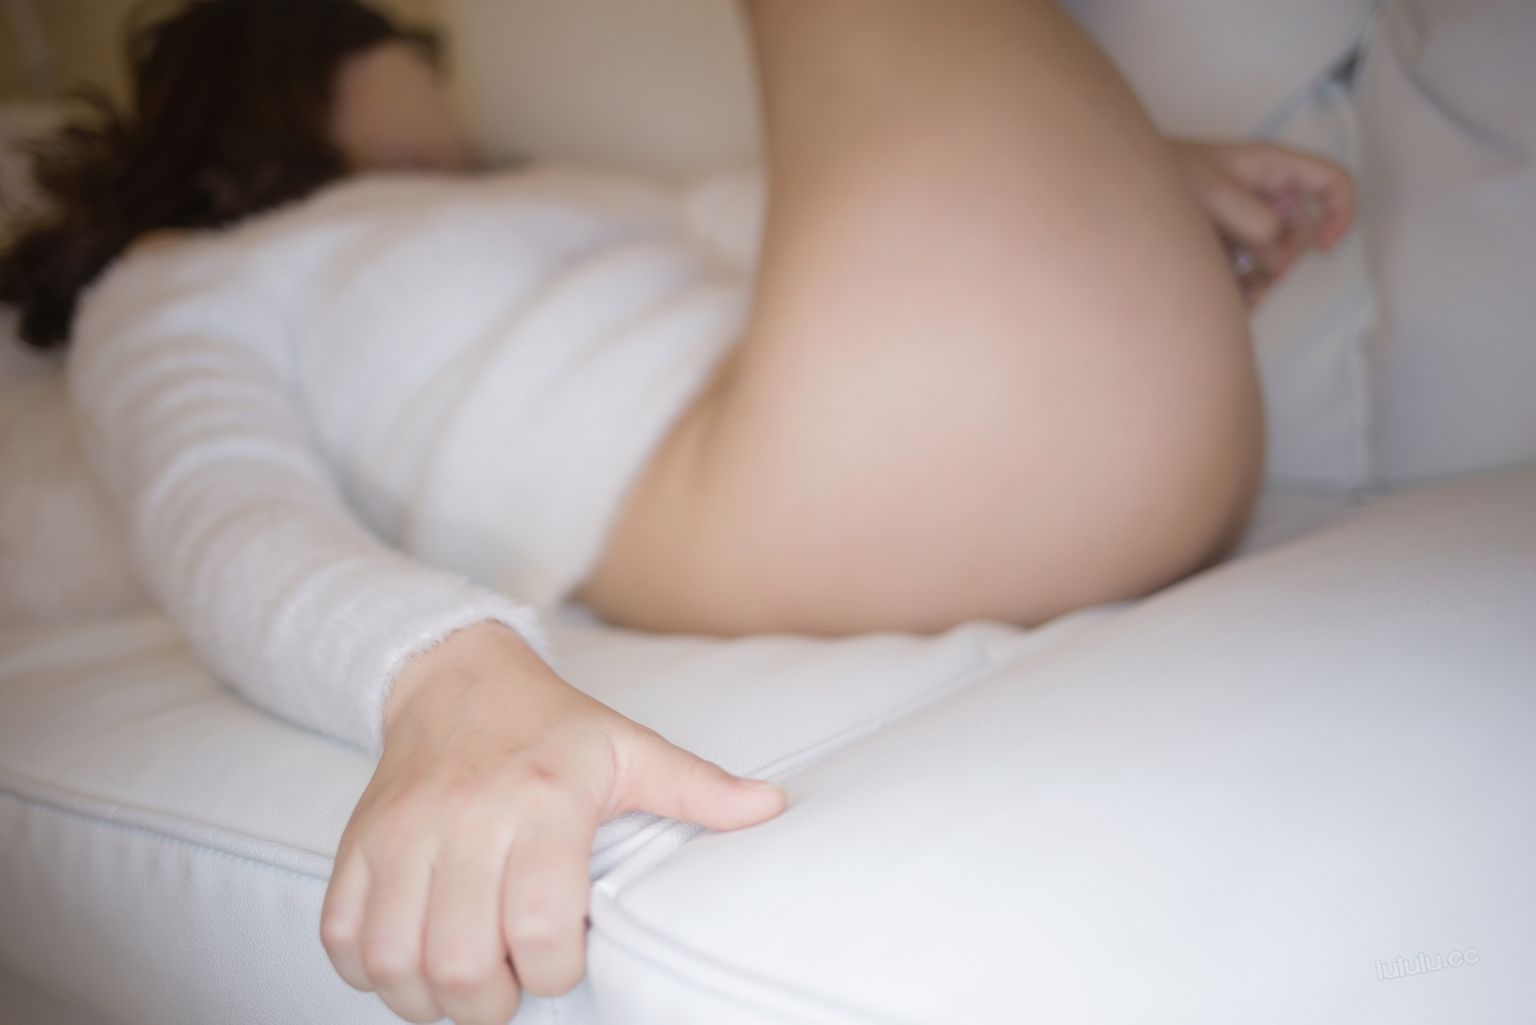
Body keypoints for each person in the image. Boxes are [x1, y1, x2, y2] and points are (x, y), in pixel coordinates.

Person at [0, 0, 1355, 1022]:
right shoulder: (183, 277)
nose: (449, 124)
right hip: (841, 463)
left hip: (1001, 396)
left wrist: (1113, 172)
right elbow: (215, 511)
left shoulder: (535, 192)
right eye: (400, 71)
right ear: (276, 82)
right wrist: (444, 683)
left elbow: (776, 211)